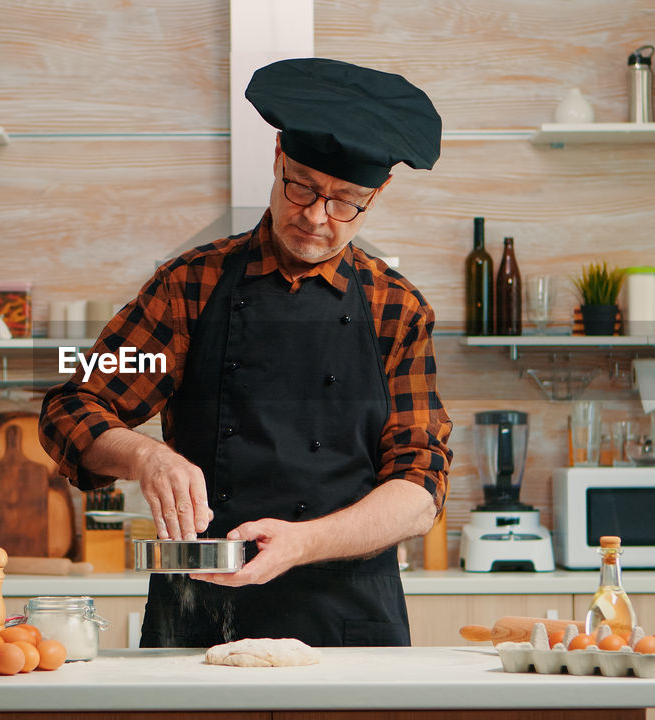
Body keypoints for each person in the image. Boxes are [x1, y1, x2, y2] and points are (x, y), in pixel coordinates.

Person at [39, 57, 452, 648]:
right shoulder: (188, 287)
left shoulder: (398, 309)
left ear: (377, 194)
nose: (315, 216)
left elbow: (419, 486)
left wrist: (305, 542)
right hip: (199, 619)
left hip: (351, 625)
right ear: (278, 154)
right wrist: (144, 457)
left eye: (344, 202)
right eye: (302, 186)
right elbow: (71, 406)